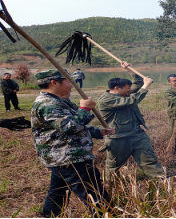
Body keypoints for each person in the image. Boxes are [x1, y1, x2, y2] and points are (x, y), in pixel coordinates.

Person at [31, 69, 115, 218]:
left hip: (64, 158)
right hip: (70, 159)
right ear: (54, 82)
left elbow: (77, 124)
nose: (73, 84)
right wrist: (84, 108)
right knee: (95, 196)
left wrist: (98, 132)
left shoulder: (59, 100)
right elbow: (68, 127)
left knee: (57, 193)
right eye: (69, 81)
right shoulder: (47, 104)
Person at [97, 61, 164, 181]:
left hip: (138, 135)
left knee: (149, 160)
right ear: (116, 88)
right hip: (118, 138)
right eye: (127, 88)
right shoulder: (106, 99)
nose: (130, 90)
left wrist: (129, 70)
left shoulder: (124, 94)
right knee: (113, 167)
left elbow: (137, 83)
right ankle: (110, 187)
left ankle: (162, 183)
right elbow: (133, 100)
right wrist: (146, 86)